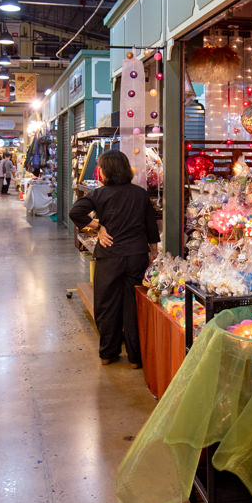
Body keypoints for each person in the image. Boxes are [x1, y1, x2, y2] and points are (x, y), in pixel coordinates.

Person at [70, 150, 159, 367]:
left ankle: (108, 353)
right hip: (137, 254)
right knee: (134, 305)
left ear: (106, 171)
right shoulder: (140, 194)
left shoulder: (100, 194)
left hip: (110, 256)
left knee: (107, 304)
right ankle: (135, 357)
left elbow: (76, 212)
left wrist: (98, 227)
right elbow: (150, 223)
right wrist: (153, 250)